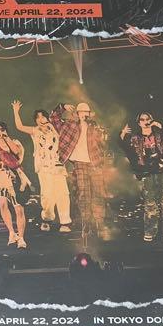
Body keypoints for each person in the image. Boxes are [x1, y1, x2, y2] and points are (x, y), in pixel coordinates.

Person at [12, 101, 73, 234]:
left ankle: (65, 222)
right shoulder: (34, 131)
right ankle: (47, 219)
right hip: (44, 167)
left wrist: (62, 109)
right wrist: (16, 111)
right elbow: (19, 126)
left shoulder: (55, 128)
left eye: (43, 116)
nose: (40, 119)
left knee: (63, 194)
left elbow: (57, 116)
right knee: (47, 194)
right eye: (37, 117)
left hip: (58, 166)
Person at [51, 102, 109, 239]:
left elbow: (103, 144)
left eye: (86, 112)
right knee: (83, 193)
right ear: (77, 114)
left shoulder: (95, 126)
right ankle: (86, 223)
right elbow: (53, 119)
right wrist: (62, 107)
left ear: (89, 114)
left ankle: (99, 223)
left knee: (98, 193)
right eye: (81, 112)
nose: (84, 114)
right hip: (79, 163)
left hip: (95, 163)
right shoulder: (70, 125)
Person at [121, 113, 163, 241]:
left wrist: (160, 126)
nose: (145, 121)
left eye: (148, 119)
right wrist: (123, 134)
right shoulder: (135, 138)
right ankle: (150, 232)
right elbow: (126, 149)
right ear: (139, 123)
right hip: (147, 173)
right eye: (142, 119)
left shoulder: (160, 135)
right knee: (150, 204)